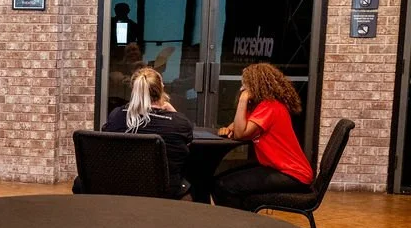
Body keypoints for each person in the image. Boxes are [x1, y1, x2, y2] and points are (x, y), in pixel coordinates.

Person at [76, 66, 193, 197]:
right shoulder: (179, 123)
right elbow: (186, 145)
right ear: (162, 88)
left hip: (117, 187)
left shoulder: (116, 116)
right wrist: (173, 113)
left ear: (134, 90)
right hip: (162, 192)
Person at [212, 63, 313, 209]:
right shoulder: (260, 107)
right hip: (276, 168)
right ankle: (242, 223)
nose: (242, 88)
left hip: (292, 174)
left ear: (256, 85)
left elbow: (240, 133)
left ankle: (238, 227)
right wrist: (228, 128)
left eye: (245, 84)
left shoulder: (270, 106)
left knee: (224, 186)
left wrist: (243, 99)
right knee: (220, 180)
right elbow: (236, 128)